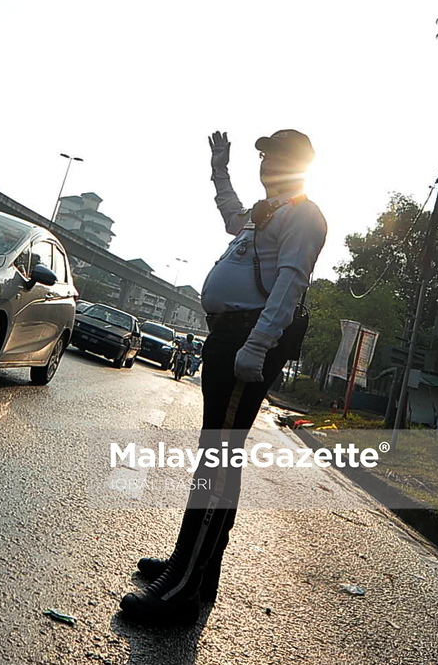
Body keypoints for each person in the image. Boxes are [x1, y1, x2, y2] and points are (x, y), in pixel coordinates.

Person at [119, 129, 327, 625]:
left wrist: (256, 345)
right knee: (215, 458)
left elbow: (290, 284)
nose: (265, 165)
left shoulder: (304, 215)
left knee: (217, 462)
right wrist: (219, 169)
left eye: (274, 158)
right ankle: (194, 570)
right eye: (263, 158)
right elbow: (232, 215)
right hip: (228, 337)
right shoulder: (269, 210)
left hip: (246, 342)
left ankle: (183, 589)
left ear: (296, 166)